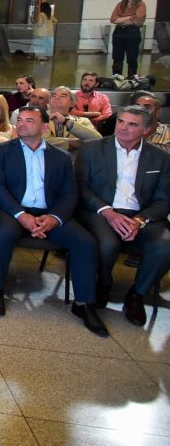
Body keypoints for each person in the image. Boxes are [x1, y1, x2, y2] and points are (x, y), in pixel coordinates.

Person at [0, 105, 108, 336]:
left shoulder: (60, 157)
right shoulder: (0, 151)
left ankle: (84, 303)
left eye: (29, 120)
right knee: (4, 233)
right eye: (20, 120)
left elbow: (69, 193)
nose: (21, 124)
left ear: (44, 127)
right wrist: (21, 215)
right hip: (9, 210)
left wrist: (54, 218)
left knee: (85, 242)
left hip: (48, 212)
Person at [76, 106, 170, 327]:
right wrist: (108, 212)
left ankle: (137, 294)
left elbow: (164, 200)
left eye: (132, 124)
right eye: (121, 121)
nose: (123, 128)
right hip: (101, 210)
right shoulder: (92, 149)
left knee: (165, 245)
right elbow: (81, 187)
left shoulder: (160, 158)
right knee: (106, 243)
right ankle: (103, 284)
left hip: (141, 214)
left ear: (146, 130)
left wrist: (139, 220)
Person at [45, 86, 100, 154]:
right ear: (49, 102)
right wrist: (69, 142)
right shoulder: (39, 120)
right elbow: (39, 142)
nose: (57, 97)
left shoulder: (82, 121)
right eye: (54, 95)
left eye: (63, 96)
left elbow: (97, 140)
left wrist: (65, 121)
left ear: (72, 103)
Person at [109, 0, 146, 77]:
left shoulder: (140, 4)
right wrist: (129, 17)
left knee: (132, 59)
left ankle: (131, 80)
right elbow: (113, 19)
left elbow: (137, 20)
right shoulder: (120, 4)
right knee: (117, 58)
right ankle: (117, 80)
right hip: (118, 33)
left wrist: (121, 20)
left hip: (132, 33)